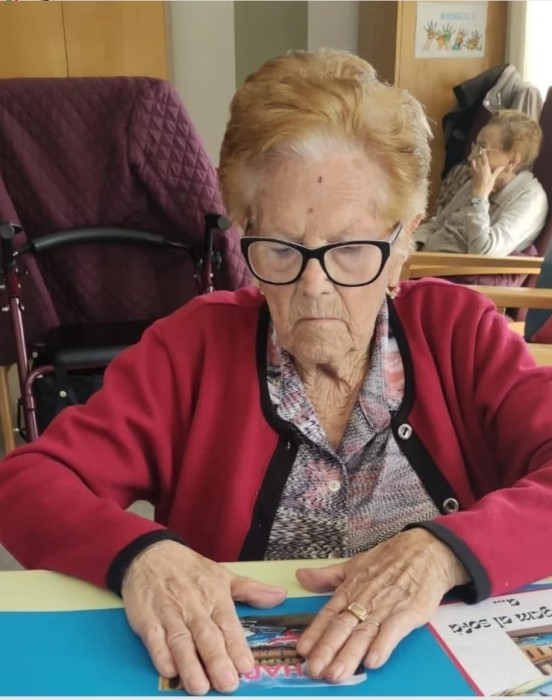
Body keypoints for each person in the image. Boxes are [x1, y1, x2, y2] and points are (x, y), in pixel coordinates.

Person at [1, 49, 552, 695]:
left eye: (351, 249)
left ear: (403, 240)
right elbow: (27, 485)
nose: (313, 287)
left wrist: (445, 552)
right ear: (248, 233)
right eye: (281, 249)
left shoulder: (458, 331)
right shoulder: (192, 348)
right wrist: (141, 556)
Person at [414, 109, 548, 255]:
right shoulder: (479, 181)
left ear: (513, 161)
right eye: (475, 147)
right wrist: (410, 247)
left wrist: (479, 198)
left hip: (449, 268)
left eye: (482, 149)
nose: (471, 158)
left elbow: (483, 252)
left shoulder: (530, 199)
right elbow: (436, 224)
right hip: (424, 258)